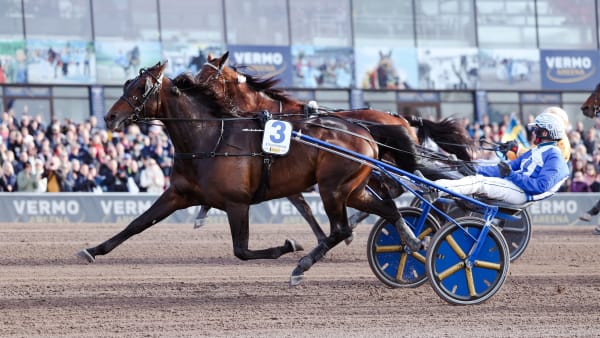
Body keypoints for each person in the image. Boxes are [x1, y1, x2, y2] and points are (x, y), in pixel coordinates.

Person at [433, 112, 570, 205]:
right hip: (515, 185)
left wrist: (511, 175)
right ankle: (439, 185)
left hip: (523, 192)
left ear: (545, 132)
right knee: (477, 175)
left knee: (479, 182)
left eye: (536, 129)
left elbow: (541, 186)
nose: (533, 132)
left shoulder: (555, 157)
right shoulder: (536, 150)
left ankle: (436, 189)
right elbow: (504, 167)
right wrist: (473, 168)